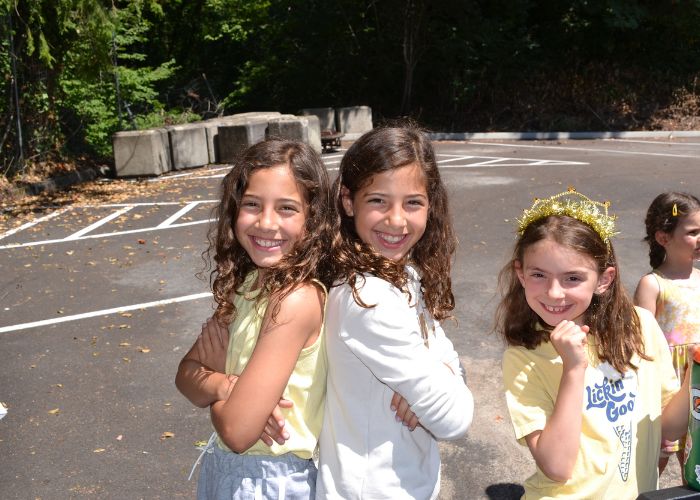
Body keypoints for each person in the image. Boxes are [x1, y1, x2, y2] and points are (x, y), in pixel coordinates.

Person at [497, 188, 692, 498]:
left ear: (604, 279)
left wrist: (696, 371)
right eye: (539, 275)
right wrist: (574, 368)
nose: (554, 292)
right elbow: (557, 467)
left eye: (572, 278)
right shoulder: (524, 357)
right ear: (521, 275)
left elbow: (668, 428)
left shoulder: (640, 325)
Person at [316, 124, 474, 500]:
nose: (397, 220)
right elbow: (456, 419)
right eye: (378, 201)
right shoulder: (368, 297)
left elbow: (450, 358)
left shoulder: (403, 273)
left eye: (412, 202)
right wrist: (440, 378)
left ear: (430, 204)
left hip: (403, 483)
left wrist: (439, 374)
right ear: (348, 201)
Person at [175, 138, 333, 499]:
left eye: (287, 208)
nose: (266, 222)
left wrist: (216, 390)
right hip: (227, 473)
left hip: (270, 482)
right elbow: (185, 375)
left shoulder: (295, 300)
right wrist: (228, 387)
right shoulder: (243, 287)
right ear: (234, 210)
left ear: (313, 222)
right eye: (252, 205)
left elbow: (237, 430)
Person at [634, 191, 700, 476]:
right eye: (694, 232)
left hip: (697, 379)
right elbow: (641, 343)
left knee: (696, 460)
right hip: (666, 385)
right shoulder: (653, 284)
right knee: (653, 465)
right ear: (663, 238)